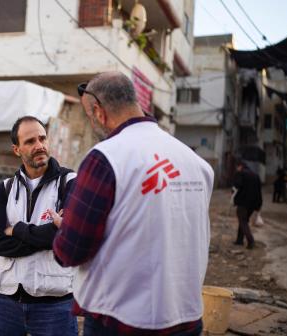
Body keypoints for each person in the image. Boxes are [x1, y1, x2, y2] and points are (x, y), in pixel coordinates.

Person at [51, 72, 214, 335]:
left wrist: (64, 226)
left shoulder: (105, 158)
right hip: (188, 318)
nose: (93, 124)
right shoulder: (196, 163)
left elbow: (71, 251)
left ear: (99, 112)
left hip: (122, 320)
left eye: (90, 117)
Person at [0, 116, 78, 336]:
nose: (39, 145)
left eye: (42, 138)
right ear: (16, 149)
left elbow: (66, 238)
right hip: (5, 302)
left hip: (55, 305)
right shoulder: (6, 188)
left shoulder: (70, 183)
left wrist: (16, 230)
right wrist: (49, 236)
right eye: (30, 141)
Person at [232, 160, 262, 249]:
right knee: (244, 220)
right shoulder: (255, 175)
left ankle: (251, 241)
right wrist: (259, 205)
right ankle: (239, 240)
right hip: (253, 203)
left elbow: (237, 185)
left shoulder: (241, 173)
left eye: (237, 167)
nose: (236, 169)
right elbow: (259, 190)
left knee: (243, 221)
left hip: (243, 202)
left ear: (240, 166)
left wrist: (233, 194)